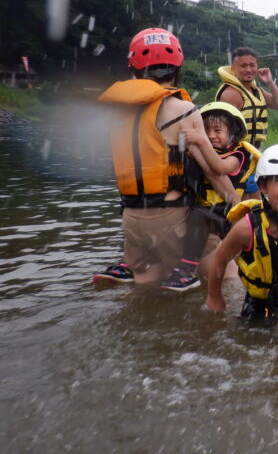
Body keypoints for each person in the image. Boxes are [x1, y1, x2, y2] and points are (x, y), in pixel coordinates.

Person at [93, 28, 237, 287]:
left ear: (133, 67)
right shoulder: (181, 110)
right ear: (177, 66)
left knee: (144, 287)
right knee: (227, 275)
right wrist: (241, 208)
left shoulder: (116, 112)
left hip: (131, 218)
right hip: (172, 218)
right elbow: (212, 171)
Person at [204, 143, 278, 339]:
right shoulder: (245, 228)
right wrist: (214, 296)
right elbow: (220, 260)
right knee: (247, 339)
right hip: (258, 296)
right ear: (262, 185)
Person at [160, 101, 261, 292]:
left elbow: (220, 168)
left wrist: (200, 141)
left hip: (227, 215)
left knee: (199, 215)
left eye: (218, 130)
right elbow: (201, 170)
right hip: (207, 212)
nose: (212, 136)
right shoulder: (205, 151)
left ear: (233, 133)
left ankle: (186, 269)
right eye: (206, 131)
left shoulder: (239, 153)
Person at [215, 47, 278, 151]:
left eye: (252, 65)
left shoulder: (256, 91)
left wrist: (270, 83)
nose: (248, 70)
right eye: (243, 66)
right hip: (236, 152)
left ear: (257, 67)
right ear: (233, 69)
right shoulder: (231, 94)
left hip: (253, 150)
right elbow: (223, 130)